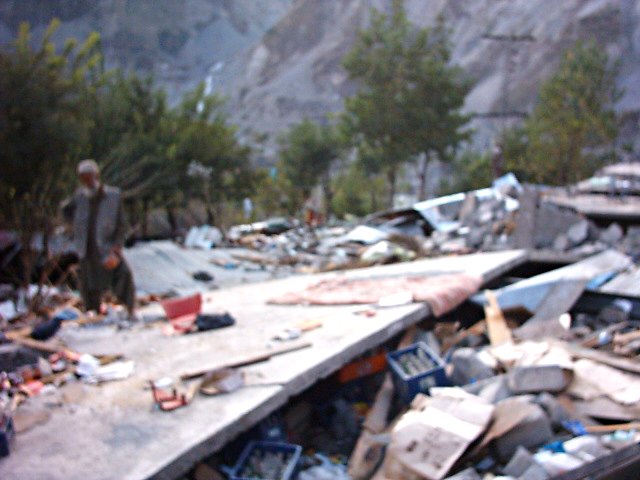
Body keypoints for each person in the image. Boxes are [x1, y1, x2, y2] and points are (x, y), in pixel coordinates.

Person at [64, 159, 136, 319]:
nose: (87, 181)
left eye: (89, 176)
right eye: (83, 177)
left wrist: (117, 246)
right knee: (88, 282)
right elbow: (65, 210)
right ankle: (93, 312)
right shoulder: (79, 197)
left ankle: (130, 309)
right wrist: (73, 227)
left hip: (106, 246)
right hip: (86, 246)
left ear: (96, 175)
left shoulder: (113, 196)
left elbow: (122, 225)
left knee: (123, 275)